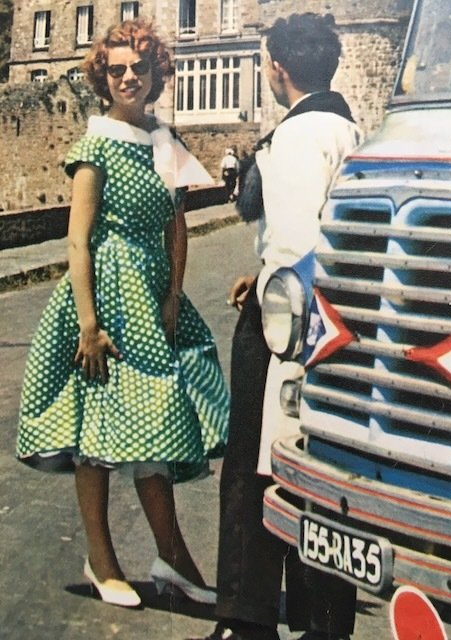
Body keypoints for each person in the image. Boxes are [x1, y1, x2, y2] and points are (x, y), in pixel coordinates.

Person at [16, 19, 229, 609]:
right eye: (117, 70)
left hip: (153, 302)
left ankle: (173, 558)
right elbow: (78, 240)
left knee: (155, 420)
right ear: (102, 79)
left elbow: (176, 226)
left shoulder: (165, 140)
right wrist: (88, 322)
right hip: (106, 300)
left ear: (156, 71)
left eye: (138, 67)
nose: (129, 78)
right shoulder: (96, 143)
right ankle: (102, 558)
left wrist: (172, 297)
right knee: (97, 430)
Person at [190, 13, 362, 640]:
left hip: (288, 331)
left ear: (279, 70)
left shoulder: (292, 140)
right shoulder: (350, 131)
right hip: (343, 328)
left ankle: (245, 615)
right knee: (324, 475)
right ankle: (325, 616)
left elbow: (294, 246)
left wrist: (269, 285)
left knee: (253, 468)